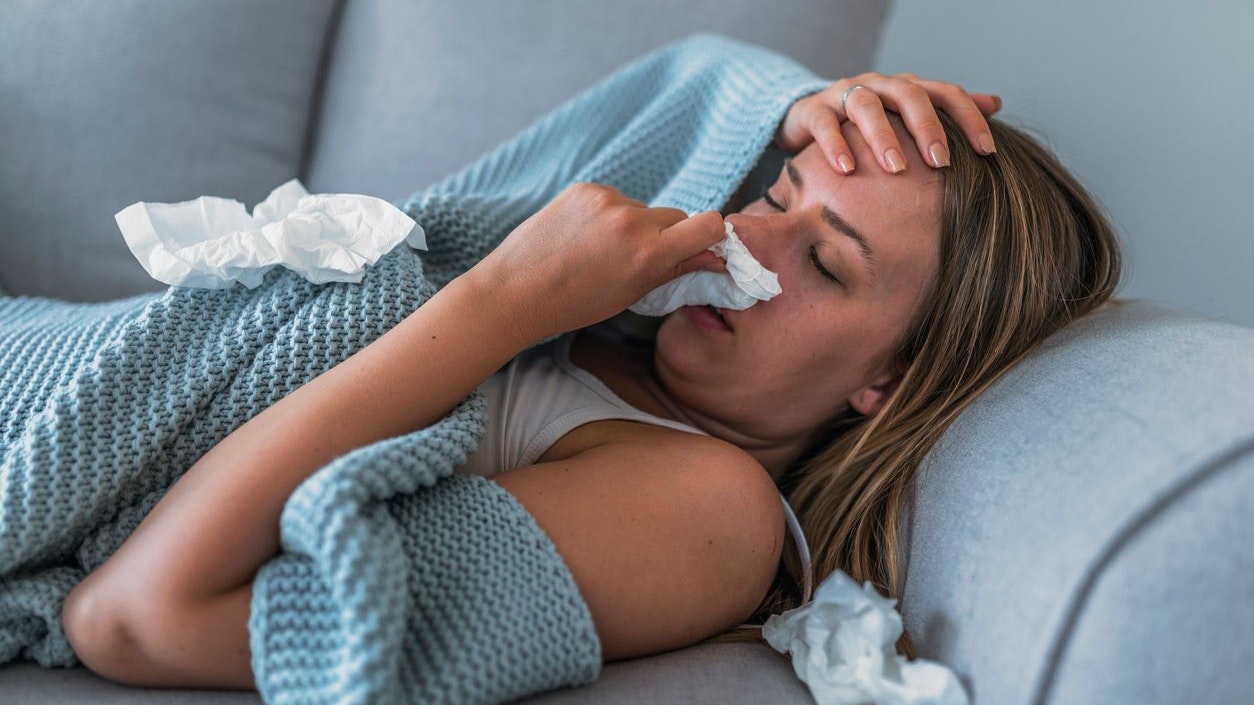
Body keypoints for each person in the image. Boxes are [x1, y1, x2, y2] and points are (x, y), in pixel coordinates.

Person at [60, 71, 1119, 688]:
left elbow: (138, 614)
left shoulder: (709, 511)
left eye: (827, 261)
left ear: (890, 381)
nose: (745, 234)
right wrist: (791, 105)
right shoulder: (613, 327)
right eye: (779, 184)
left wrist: (505, 301)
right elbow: (692, 75)